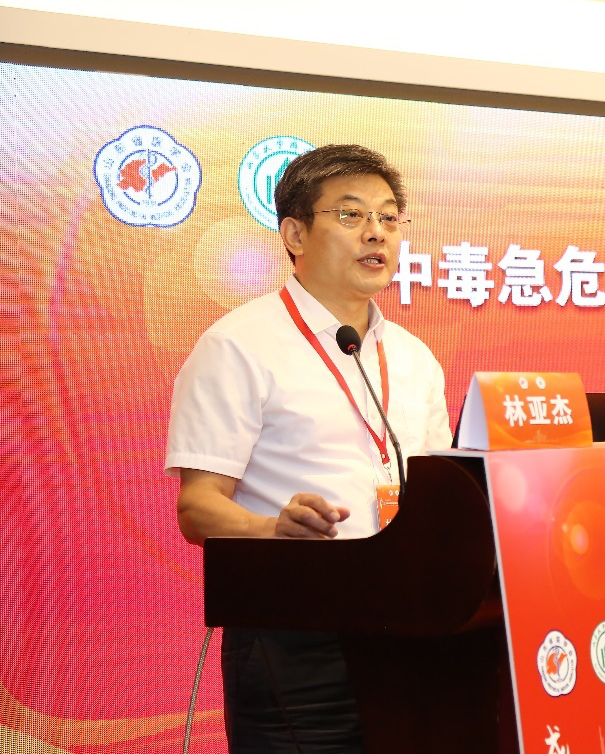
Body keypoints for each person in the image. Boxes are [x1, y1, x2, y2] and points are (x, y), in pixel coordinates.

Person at [166, 143, 451, 753]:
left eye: (389, 216)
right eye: (351, 215)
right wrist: (273, 528)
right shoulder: (238, 346)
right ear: (295, 234)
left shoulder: (413, 356)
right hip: (294, 638)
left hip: (410, 627)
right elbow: (197, 507)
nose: (376, 232)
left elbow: (439, 492)